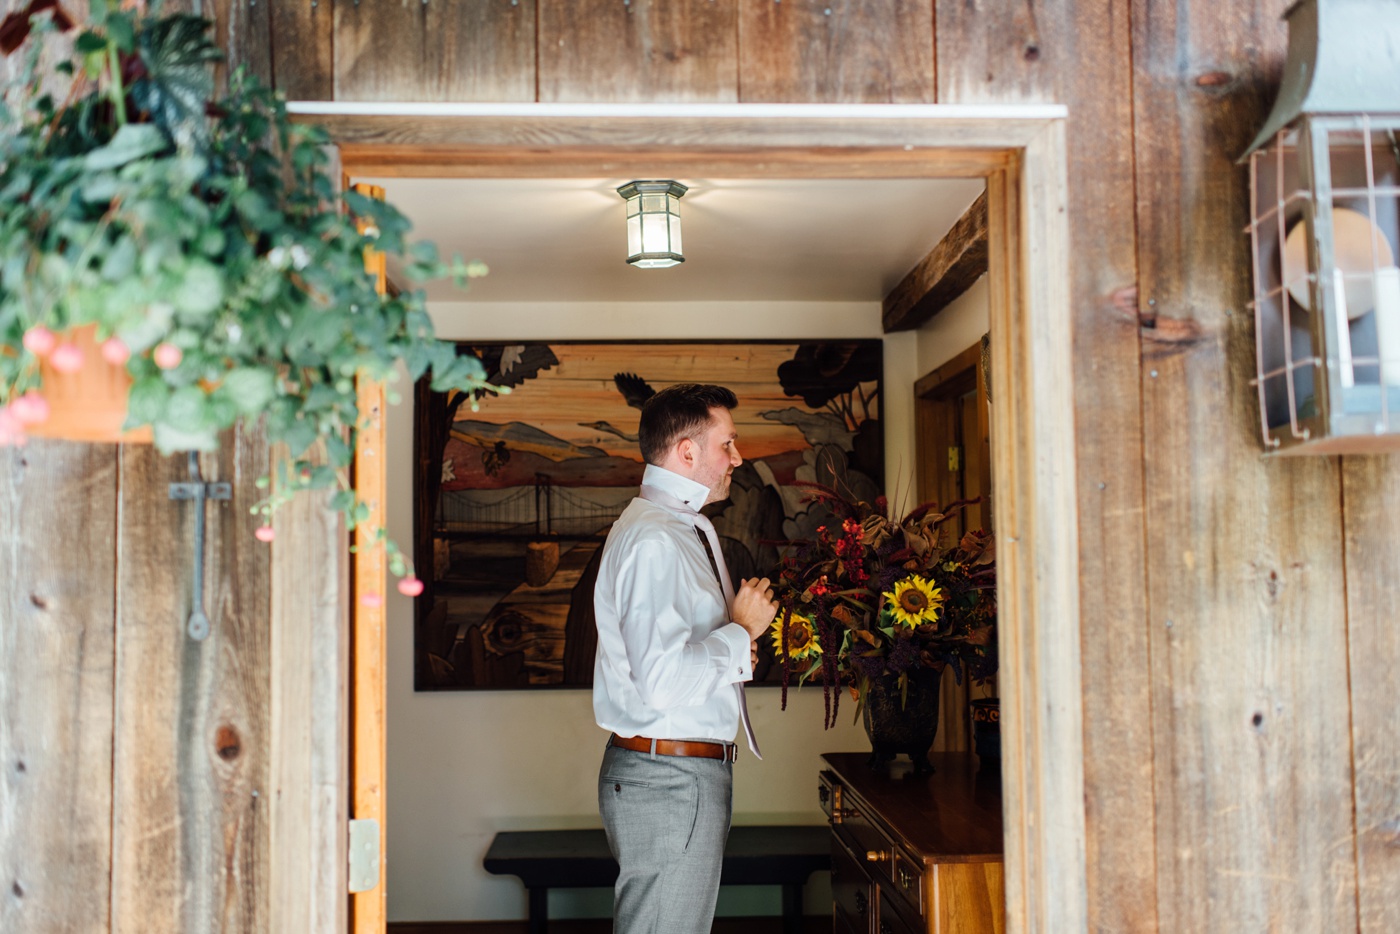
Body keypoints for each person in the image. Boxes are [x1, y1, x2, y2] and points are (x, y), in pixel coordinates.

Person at [593, 382, 778, 934]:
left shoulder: (678, 529)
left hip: (674, 777)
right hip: (670, 779)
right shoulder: (656, 540)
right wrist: (741, 631)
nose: (738, 458)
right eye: (729, 443)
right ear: (688, 452)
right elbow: (664, 682)